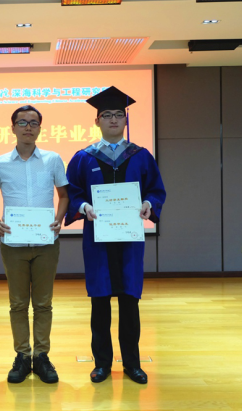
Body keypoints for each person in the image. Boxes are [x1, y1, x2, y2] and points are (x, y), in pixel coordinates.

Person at [64, 87, 166, 384]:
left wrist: (149, 204)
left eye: (118, 114)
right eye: (106, 115)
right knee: (99, 302)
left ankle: (132, 363)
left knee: (129, 301)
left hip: (129, 239)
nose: (113, 119)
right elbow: (72, 193)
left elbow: (155, 190)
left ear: (125, 119)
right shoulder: (83, 158)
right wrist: (83, 207)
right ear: (97, 120)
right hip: (97, 239)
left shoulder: (141, 156)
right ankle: (102, 364)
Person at [0, 105, 69, 384]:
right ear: (13, 128)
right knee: (18, 304)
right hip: (14, 244)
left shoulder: (53, 159)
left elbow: (64, 196)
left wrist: (58, 218)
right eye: (22, 122)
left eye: (33, 122)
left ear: (40, 128)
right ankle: (23, 356)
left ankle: (41, 356)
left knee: (43, 303)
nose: (28, 127)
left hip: (46, 242)